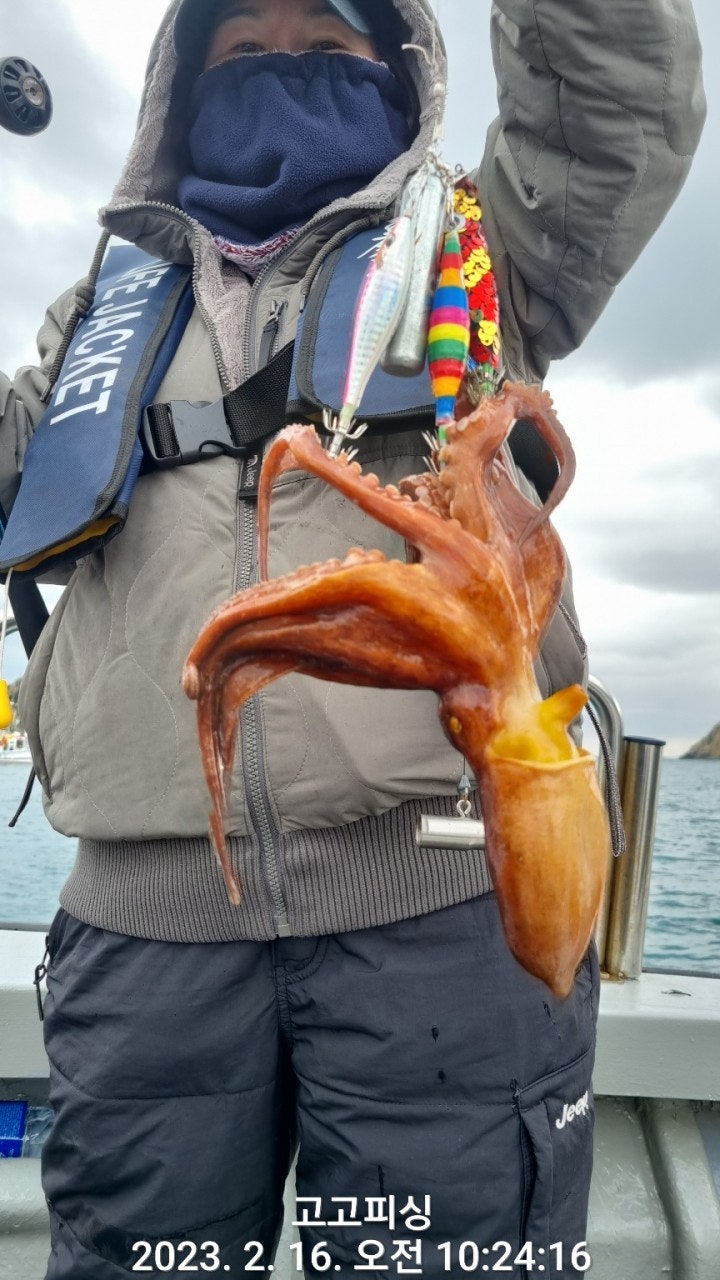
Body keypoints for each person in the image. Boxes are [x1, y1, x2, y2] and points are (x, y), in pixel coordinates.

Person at [0, 1, 705, 1276]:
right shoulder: (95, 319)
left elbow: (610, 103)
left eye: (328, 48)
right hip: (146, 934)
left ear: (400, 69)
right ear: (181, 90)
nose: (285, 70)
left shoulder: (485, 253)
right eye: (243, 51)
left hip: (448, 911)